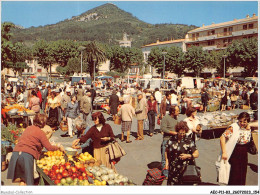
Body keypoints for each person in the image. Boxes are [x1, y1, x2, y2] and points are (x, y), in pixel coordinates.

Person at [7, 113, 64, 185]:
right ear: (43, 123)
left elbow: (25, 140)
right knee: (28, 182)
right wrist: (58, 147)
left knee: (23, 180)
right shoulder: (41, 133)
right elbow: (49, 147)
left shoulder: (28, 128)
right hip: (26, 156)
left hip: (16, 154)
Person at [220, 112, 252, 185]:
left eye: (245, 122)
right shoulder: (233, 127)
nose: (242, 123)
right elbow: (222, 137)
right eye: (240, 121)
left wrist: (249, 124)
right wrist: (224, 152)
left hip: (244, 152)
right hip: (235, 151)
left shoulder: (248, 127)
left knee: (242, 173)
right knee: (234, 174)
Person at [165, 121, 199, 185]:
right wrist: (167, 162)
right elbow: (166, 151)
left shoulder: (189, 141)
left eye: (184, 133)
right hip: (173, 169)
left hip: (185, 169)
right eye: (180, 133)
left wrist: (188, 156)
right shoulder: (171, 140)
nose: (182, 135)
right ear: (177, 131)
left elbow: (196, 154)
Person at [160, 105, 180, 178]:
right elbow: (163, 129)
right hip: (167, 140)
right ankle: (165, 174)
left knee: (173, 158)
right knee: (165, 158)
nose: (179, 112)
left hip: (174, 140)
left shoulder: (175, 118)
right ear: (172, 111)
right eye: (177, 111)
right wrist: (173, 132)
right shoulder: (165, 118)